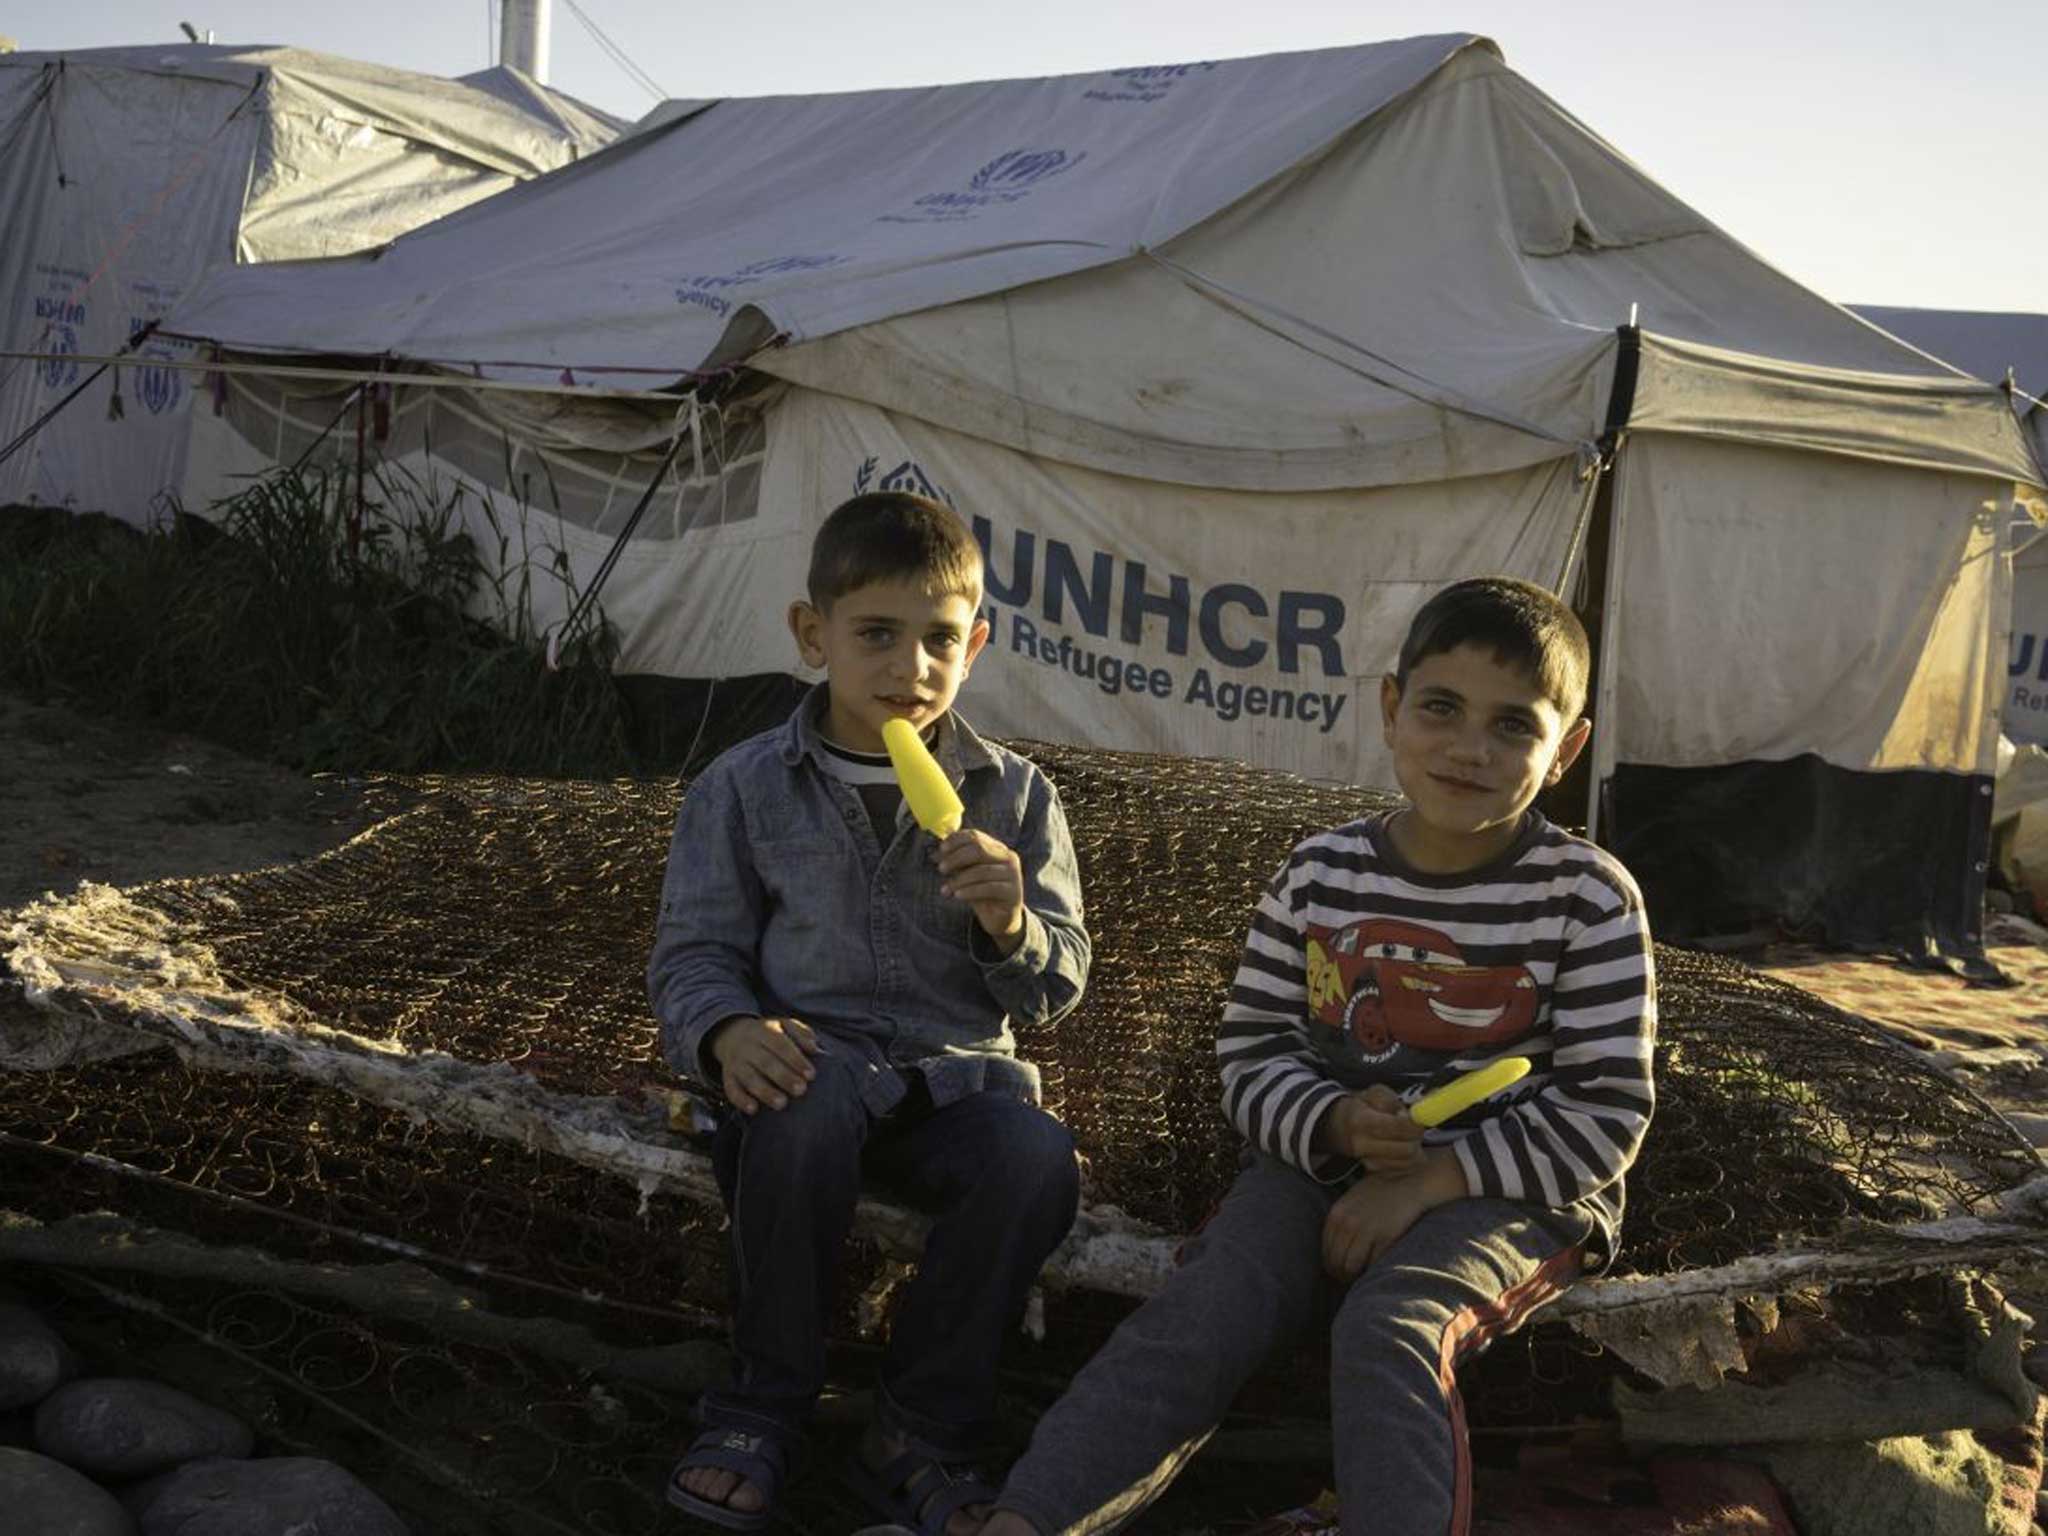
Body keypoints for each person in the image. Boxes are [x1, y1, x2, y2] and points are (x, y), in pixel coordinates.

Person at [975, 576, 1657, 1536]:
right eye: (1441, 708)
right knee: (1204, 1308)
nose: (1471, 748)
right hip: (1314, 1167)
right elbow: (1252, 1054)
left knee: (1390, 1327)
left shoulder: (1587, 897)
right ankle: (1028, 1517)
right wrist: (1333, 1122)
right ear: (1390, 708)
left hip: (1515, 1196)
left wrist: (1426, 1185)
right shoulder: (1321, 872)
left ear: (1566, 752)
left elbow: (1604, 1114)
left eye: (1514, 727)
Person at [649, 490, 1090, 1534]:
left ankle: (921, 1428)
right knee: (801, 1106)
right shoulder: (744, 786)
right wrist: (724, 1033)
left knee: (1035, 1161)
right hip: (808, 1074)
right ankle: (761, 1404)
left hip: (958, 1087)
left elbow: (1059, 983)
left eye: (940, 639)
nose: (910, 668)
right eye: (877, 635)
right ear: (814, 637)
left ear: (975, 645)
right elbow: (694, 951)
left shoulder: (1014, 799)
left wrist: (1009, 924)